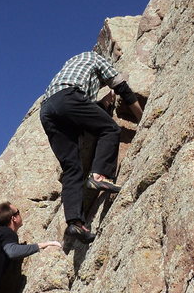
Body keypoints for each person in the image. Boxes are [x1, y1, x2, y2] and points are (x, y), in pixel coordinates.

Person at [40, 51, 144, 244]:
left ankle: (75, 223)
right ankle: (99, 175)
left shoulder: (71, 63)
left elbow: (77, 110)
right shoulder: (97, 58)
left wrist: (99, 105)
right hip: (69, 97)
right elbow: (122, 88)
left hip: (47, 110)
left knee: (72, 167)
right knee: (109, 129)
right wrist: (141, 118)